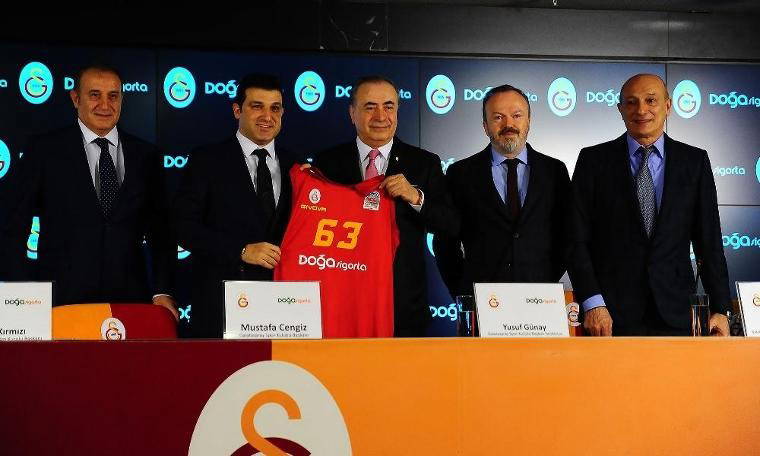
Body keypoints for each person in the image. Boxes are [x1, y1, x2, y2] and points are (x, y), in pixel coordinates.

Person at [0, 64, 177, 318]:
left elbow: (162, 232)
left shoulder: (146, 155)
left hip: (130, 301)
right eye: (95, 95)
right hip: (61, 302)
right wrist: (22, 296)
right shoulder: (44, 150)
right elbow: (14, 227)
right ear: (76, 99)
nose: (105, 105)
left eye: (113, 96)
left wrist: (162, 291)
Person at [569, 73, 730, 336]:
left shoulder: (694, 161)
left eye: (651, 100)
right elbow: (575, 240)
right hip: (608, 317)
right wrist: (593, 303)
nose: (641, 110)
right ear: (620, 109)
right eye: (631, 102)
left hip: (677, 313)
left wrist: (721, 309)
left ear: (668, 105)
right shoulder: (593, 161)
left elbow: (709, 242)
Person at [312, 75, 458, 336]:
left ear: (397, 111)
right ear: (352, 113)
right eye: (370, 107)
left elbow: (450, 224)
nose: (381, 116)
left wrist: (416, 197)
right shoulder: (327, 163)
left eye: (388, 106)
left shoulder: (424, 163)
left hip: (403, 309)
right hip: (343, 304)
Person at [172, 73, 301, 338]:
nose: (267, 116)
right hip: (221, 307)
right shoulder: (207, 160)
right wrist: (240, 250)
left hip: (285, 310)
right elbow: (183, 227)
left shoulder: (297, 166)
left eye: (275, 108)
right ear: (237, 110)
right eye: (257, 106)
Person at [433, 84, 570, 297]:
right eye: (498, 117)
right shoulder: (460, 173)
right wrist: (464, 293)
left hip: (540, 299)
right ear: (485, 126)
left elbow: (567, 235)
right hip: (482, 301)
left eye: (517, 116)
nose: (509, 125)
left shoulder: (555, 171)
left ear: (528, 121)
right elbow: (445, 242)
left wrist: (546, 279)